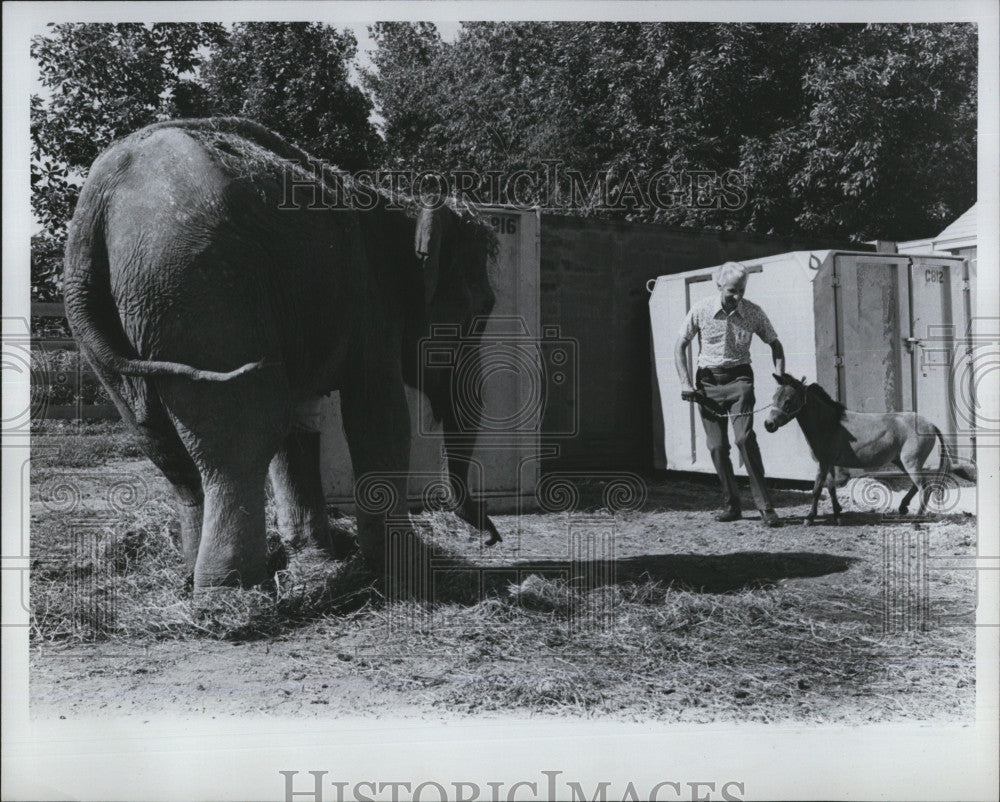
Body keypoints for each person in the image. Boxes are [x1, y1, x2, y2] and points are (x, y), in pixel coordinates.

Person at [674, 261, 784, 526]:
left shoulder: (753, 313)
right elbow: (680, 346)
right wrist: (685, 383)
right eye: (732, 291)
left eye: (742, 291)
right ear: (719, 285)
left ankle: (766, 508)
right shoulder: (700, 310)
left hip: (740, 381)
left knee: (744, 438)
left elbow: (775, 344)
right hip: (708, 384)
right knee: (717, 446)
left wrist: (780, 380)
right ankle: (731, 505)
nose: (737, 297)